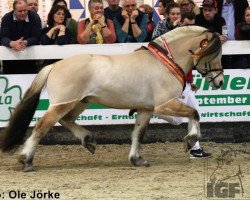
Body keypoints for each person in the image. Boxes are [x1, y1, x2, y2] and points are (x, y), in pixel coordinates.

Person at [0, 0, 41, 74]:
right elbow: (3, 37)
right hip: (10, 60)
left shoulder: (35, 17)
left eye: (25, 10)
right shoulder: (6, 18)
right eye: (20, 11)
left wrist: (25, 42)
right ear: (14, 11)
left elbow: (37, 37)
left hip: (30, 60)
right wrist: (11, 43)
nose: (23, 13)